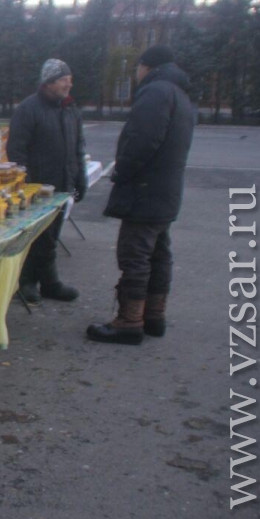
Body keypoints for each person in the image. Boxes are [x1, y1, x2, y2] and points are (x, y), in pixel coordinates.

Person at [87, 45, 195, 344]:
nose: (136, 74)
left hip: (145, 192)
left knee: (135, 256)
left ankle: (129, 322)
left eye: (137, 68)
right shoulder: (181, 95)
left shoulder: (156, 91)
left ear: (146, 67)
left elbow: (142, 140)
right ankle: (153, 316)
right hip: (166, 191)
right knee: (159, 254)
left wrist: (122, 171)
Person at [7, 58, 87, 303]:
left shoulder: (70, 109)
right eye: (64, 80)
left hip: (63, 183)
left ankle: (50, 283)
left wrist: (79, 175)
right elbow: (16, 150)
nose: (68, 85)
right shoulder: (28, 109)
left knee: (52, 234)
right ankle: (28, 281)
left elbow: (77, 146)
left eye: (70, 80)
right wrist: (28, 184)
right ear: (49, 82)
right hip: (37, 186)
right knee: (36, 235)